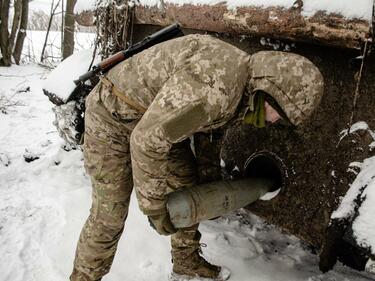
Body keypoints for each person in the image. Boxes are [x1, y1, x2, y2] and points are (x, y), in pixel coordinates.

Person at [70, 34, 324, 281]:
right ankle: (83, 277)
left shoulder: (243, 86)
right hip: (111, 118)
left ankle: (186, 260)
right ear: (270, 90)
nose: (276, 121)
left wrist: (209, 173)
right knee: (110, 212)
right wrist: (155, 206)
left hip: (152, 118)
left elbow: (209, 130)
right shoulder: (215, 87)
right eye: (279, 113)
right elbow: (146, 141)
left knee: (186, 183)